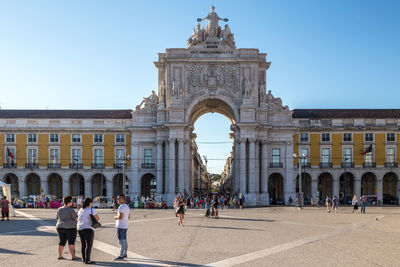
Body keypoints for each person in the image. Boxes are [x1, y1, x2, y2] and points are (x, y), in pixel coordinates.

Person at [56, 196, 80, 260]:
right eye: (71, 201)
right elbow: (76, 218)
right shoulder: (71, 209)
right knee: (71, 242)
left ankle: (60, 256)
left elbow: (57, 218)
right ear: (69, 202)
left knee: (62, 241)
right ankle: (73, 256)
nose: (72, 202)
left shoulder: (59, 209)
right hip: (70, 227)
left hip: (60, 227)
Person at [77, 198, 99, 264]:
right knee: (89, 244)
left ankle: (84, 259)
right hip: (88, 228)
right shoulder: (91, 209)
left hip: (80, 228)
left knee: (83, 244)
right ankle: (88, 260)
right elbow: (97, 218)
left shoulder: (80, 209)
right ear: (90, 203)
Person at [114, 194, 130, 260]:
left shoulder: (121, 207)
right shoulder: (127, 206)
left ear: (123, 199)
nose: (117, 200)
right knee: (124, 240)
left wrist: (115, 217)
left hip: (120, 226)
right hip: (125, 225)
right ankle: (125, 253)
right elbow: (128, 217)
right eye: (117, 198)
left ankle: (121, 255)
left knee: (121, 241)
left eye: (119, 198)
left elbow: (120, 217)